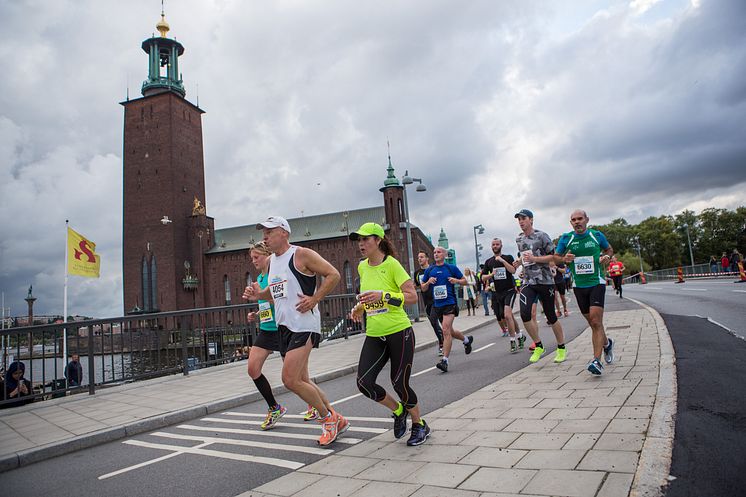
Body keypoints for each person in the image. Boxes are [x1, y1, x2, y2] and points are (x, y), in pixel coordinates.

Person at [243, 216, 348, 446]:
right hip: (284, 326)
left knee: (289, 379)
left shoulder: (301, 254)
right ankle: (334, 416)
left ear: (284, 233)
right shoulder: (272, 262)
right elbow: (275, 292)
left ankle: (328, 418)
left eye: (269, 232)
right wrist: (258, 295)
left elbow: (334, 274)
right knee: (301, 379)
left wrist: (315, 298)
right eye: (264, 232)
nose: (265, 236)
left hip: (304, 324)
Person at [349, 222, 431, 446]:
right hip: (375, 334)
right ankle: (398, 410)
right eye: (359, 240)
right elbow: (368, 298)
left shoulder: (392, 265)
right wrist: (359, 307)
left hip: (399, 332)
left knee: (399, 383)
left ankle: (419, 425)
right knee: (364, 383)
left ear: (378, 240)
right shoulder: (362, 267)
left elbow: (412, 297)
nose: (361, 244)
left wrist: (384, 295)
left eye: (365, 239)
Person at [555, 209, 615, 375]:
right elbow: (556, 257)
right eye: (573, 220)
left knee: (596, 321)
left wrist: (606, 257)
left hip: (596, 282)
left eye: (580, 219)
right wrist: (563, 259)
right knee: (593, 324)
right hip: (579, 286)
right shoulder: (567, 238)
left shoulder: (596, 235)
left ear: (587, 219)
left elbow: (609, 249)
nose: (577, 222)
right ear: (571, 223)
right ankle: (607, 344)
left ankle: (596, 361)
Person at [513, 209, 567, 364]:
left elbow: (555, 257)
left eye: (523, 218)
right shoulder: (519, 239)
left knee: (551, 316)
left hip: (545, 281)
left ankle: (561, 347)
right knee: (525, 314)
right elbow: (525, 258)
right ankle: (538, 345)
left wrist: (535, 258)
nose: (521, 222)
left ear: (531, 220)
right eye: (519, 219)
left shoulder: (542, 236)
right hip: (529, 282)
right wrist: (520, 264)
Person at [244, 241, 288, 430]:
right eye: (252, 258)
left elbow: (279, 298)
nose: (253, 261)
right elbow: (266, 304)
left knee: (296, 376)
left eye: (257, 257)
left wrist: (260, 296)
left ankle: (316, 406)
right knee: (252, 369)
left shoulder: (274, 274)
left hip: (283, 328)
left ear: (267, 255)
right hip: (267, 329)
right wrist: (256, 314)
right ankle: (274, 408)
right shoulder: (259, 278)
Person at [421, 246, 474, 373]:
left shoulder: (451, 268)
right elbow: (423, 288)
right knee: (450, 331)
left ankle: (445, 361)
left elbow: (465, 281)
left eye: (439, 252)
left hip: (450, 303)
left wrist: (456, 280)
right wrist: (428, 282)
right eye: (434, 252)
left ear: (444, 254)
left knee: (445, 330)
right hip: (437, 305)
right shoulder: (430, 270)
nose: (436, 254)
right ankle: (466, 340)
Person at [481, 238, 524, 353]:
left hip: (509, 290)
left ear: (501, 245)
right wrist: (491, 275)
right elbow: (482, 277)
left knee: (507, 315)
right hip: (498, 292)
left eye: (497, 244)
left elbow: (513, 271)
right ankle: (520, 335)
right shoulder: (489, 262)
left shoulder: (508, 257)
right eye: (493, 244)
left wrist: (503, 261)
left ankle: (512, 341)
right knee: (509, 316)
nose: (495, 246)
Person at [414, 251, 444, 356]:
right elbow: (418, 286)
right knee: (434, 323)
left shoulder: (434, 269)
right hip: (427, 301)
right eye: (418, 257)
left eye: (422, 257)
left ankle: (442, 344)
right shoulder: (417, 273)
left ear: (427, 258)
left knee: (438, 322)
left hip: (437, 299)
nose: (419, 259)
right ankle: (445, 340)